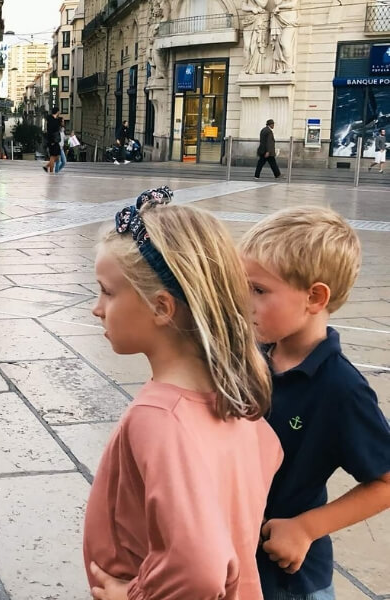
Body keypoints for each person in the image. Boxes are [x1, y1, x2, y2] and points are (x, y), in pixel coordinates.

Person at [85, 187, 283, 600]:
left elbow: (199, 569)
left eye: (107, 291)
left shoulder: (159, 418)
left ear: (161, 307)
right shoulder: (237, 406)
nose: (97, 307)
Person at [240, 207, 390, 600]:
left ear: (314, 297)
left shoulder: (341, 388)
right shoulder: (252, 355)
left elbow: (385, 482)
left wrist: (306, 527)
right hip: (232, 563)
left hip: (288, 582)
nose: (244, 300)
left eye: (258, 290)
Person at [43, 107, 61, 173]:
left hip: (54, 141)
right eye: (59, 112)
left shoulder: (53, 119)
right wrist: (52, 141)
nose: (59, 113)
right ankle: (51, 172)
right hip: (53, 141)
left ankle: (47, 167)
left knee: (56, 157)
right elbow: (50, 131)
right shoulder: (52, 120)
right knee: (53, 157)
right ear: (57, 112)